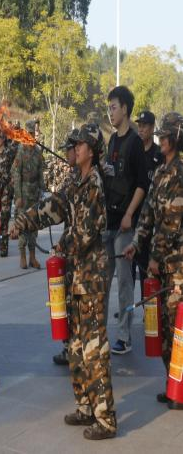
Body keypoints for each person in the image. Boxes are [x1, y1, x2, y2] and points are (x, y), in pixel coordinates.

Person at [10, 124, 117, 440]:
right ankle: (85, 406)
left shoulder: (94, 185)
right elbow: (52, 207)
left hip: (91, 278)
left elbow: (84, 233)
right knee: (75, 345)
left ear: (91, 151)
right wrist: (23, 222)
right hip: (74, 276)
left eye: (79, 145)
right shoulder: (74, 181)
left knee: (94, 348)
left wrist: (62, 245)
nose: (74, 149)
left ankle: (106, 419)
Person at [124, 112, 183, 410]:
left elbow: (171, 224)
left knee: (176, 329)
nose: (161, 139)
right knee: (162, 330)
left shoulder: (180, 175)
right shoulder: (160, 172)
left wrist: (156, 258)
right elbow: (147, 213)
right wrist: (136, 244)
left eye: (165, 135)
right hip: (159, 263)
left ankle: (179, 390)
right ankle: (173, 385)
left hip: (176, 266)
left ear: (175, 138)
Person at [104, 86, 150, 355]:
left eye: (114, 107)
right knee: (103, 279)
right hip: (108, 222)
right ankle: (98, 333)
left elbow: (142, 184)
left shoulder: (134, 143)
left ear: (125, 109)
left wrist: (129, 214)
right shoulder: (112, 140)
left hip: (125, 225)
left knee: (124, 282)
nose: (110, 112)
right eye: (108, 108)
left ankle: (124, 336)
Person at [52, 128, 80, 367]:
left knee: (75, 304)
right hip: (70, 247)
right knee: (68, 301)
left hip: (80, 255)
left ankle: (75, 350)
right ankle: (71, 347)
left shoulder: (83, 179)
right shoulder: (75, 176)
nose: (66, 154)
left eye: (68, 150)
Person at [131, 110, 164, 298]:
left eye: (145, 126)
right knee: (130, 267)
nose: (141, 129)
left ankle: (149, 306)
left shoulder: (159, 155)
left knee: (146, 269)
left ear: (152, 128)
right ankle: (130, 306)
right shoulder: (133, 151)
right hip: (133, 216)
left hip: (150, 221)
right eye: (139, 125)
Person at [12, 120, 45, 269]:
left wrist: (42, 191)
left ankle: (32, 256)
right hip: (23, 194)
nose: (31, 135)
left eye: (33, 133)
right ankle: (23, 256)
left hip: (34, 193)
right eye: (29, 133)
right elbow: (16, 174)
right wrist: (18, 196)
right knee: (22, 224)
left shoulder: (38, 151)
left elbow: (40, 173)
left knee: (33, 224)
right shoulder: (21, 149)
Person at [0, 129, 15, 257]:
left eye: (0, 138)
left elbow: (12, 170)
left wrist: (9, 185)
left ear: (4, 139)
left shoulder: (9, 152)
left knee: (4, 218)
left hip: (6, 190)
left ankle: (3, 248)